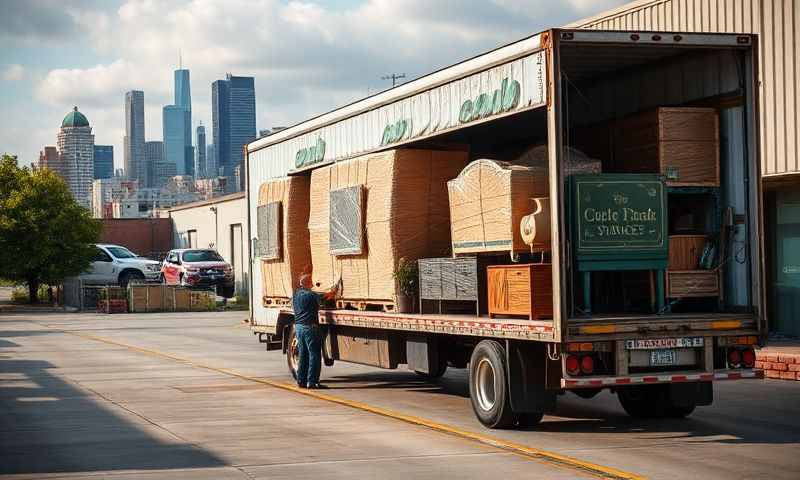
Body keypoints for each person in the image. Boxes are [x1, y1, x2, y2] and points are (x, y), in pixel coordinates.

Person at [292, 273, 338, 389]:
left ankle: (301, 381)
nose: (313, 283)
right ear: (308, 283)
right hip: (309, 328)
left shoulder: (296, 294)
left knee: (303, 354)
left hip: (299, 327)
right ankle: (312, 382)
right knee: (315, 354)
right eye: (311, 282)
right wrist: (334, 291)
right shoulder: (311, 295)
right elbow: (325, 297)